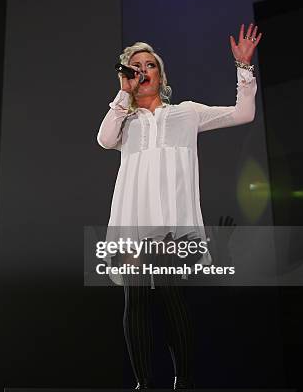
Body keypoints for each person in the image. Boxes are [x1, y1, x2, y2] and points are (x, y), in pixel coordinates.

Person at [96, 23, 262, 389]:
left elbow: (243, 113)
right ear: (128, 75)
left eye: (149, 65)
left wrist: (244, 69)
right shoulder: (125, 120)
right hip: (134, 221)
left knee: (172, 297)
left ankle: (184, 383)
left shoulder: (186, 113)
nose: (143, 71)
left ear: (160, 73)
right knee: (135, 297)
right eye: (135, 66)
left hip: (172, 223)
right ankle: (143, 384)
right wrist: (123, 97)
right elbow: (105, 140)